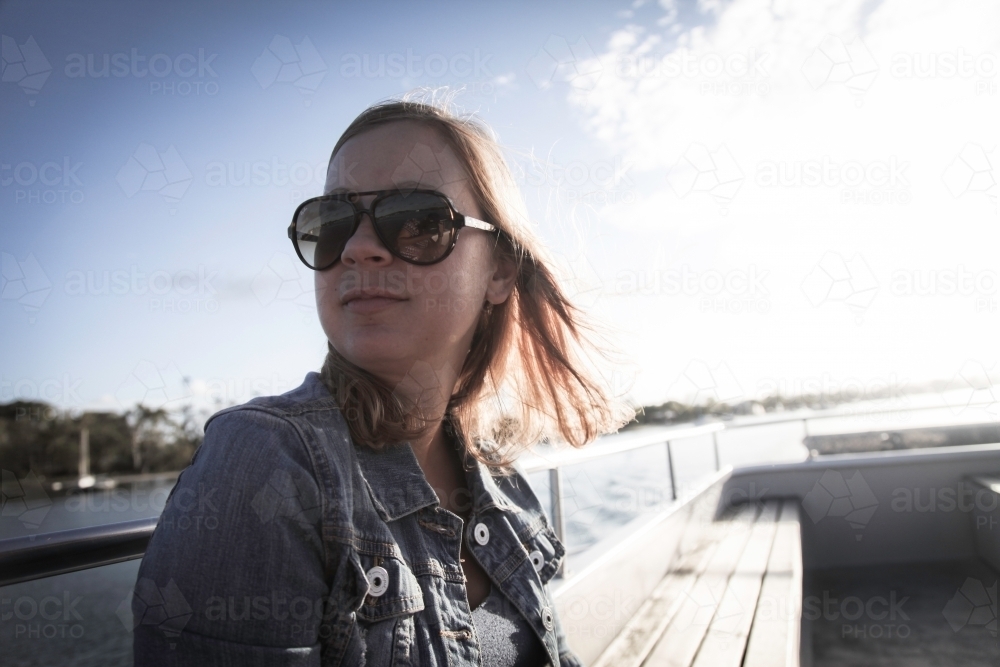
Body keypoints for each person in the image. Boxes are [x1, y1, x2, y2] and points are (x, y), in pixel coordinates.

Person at [132, 96, 632, 666]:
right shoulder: (265, 463)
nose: (358, 248)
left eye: (417, 222)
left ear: (498, 270)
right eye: (332, 223)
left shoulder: (502, 483)